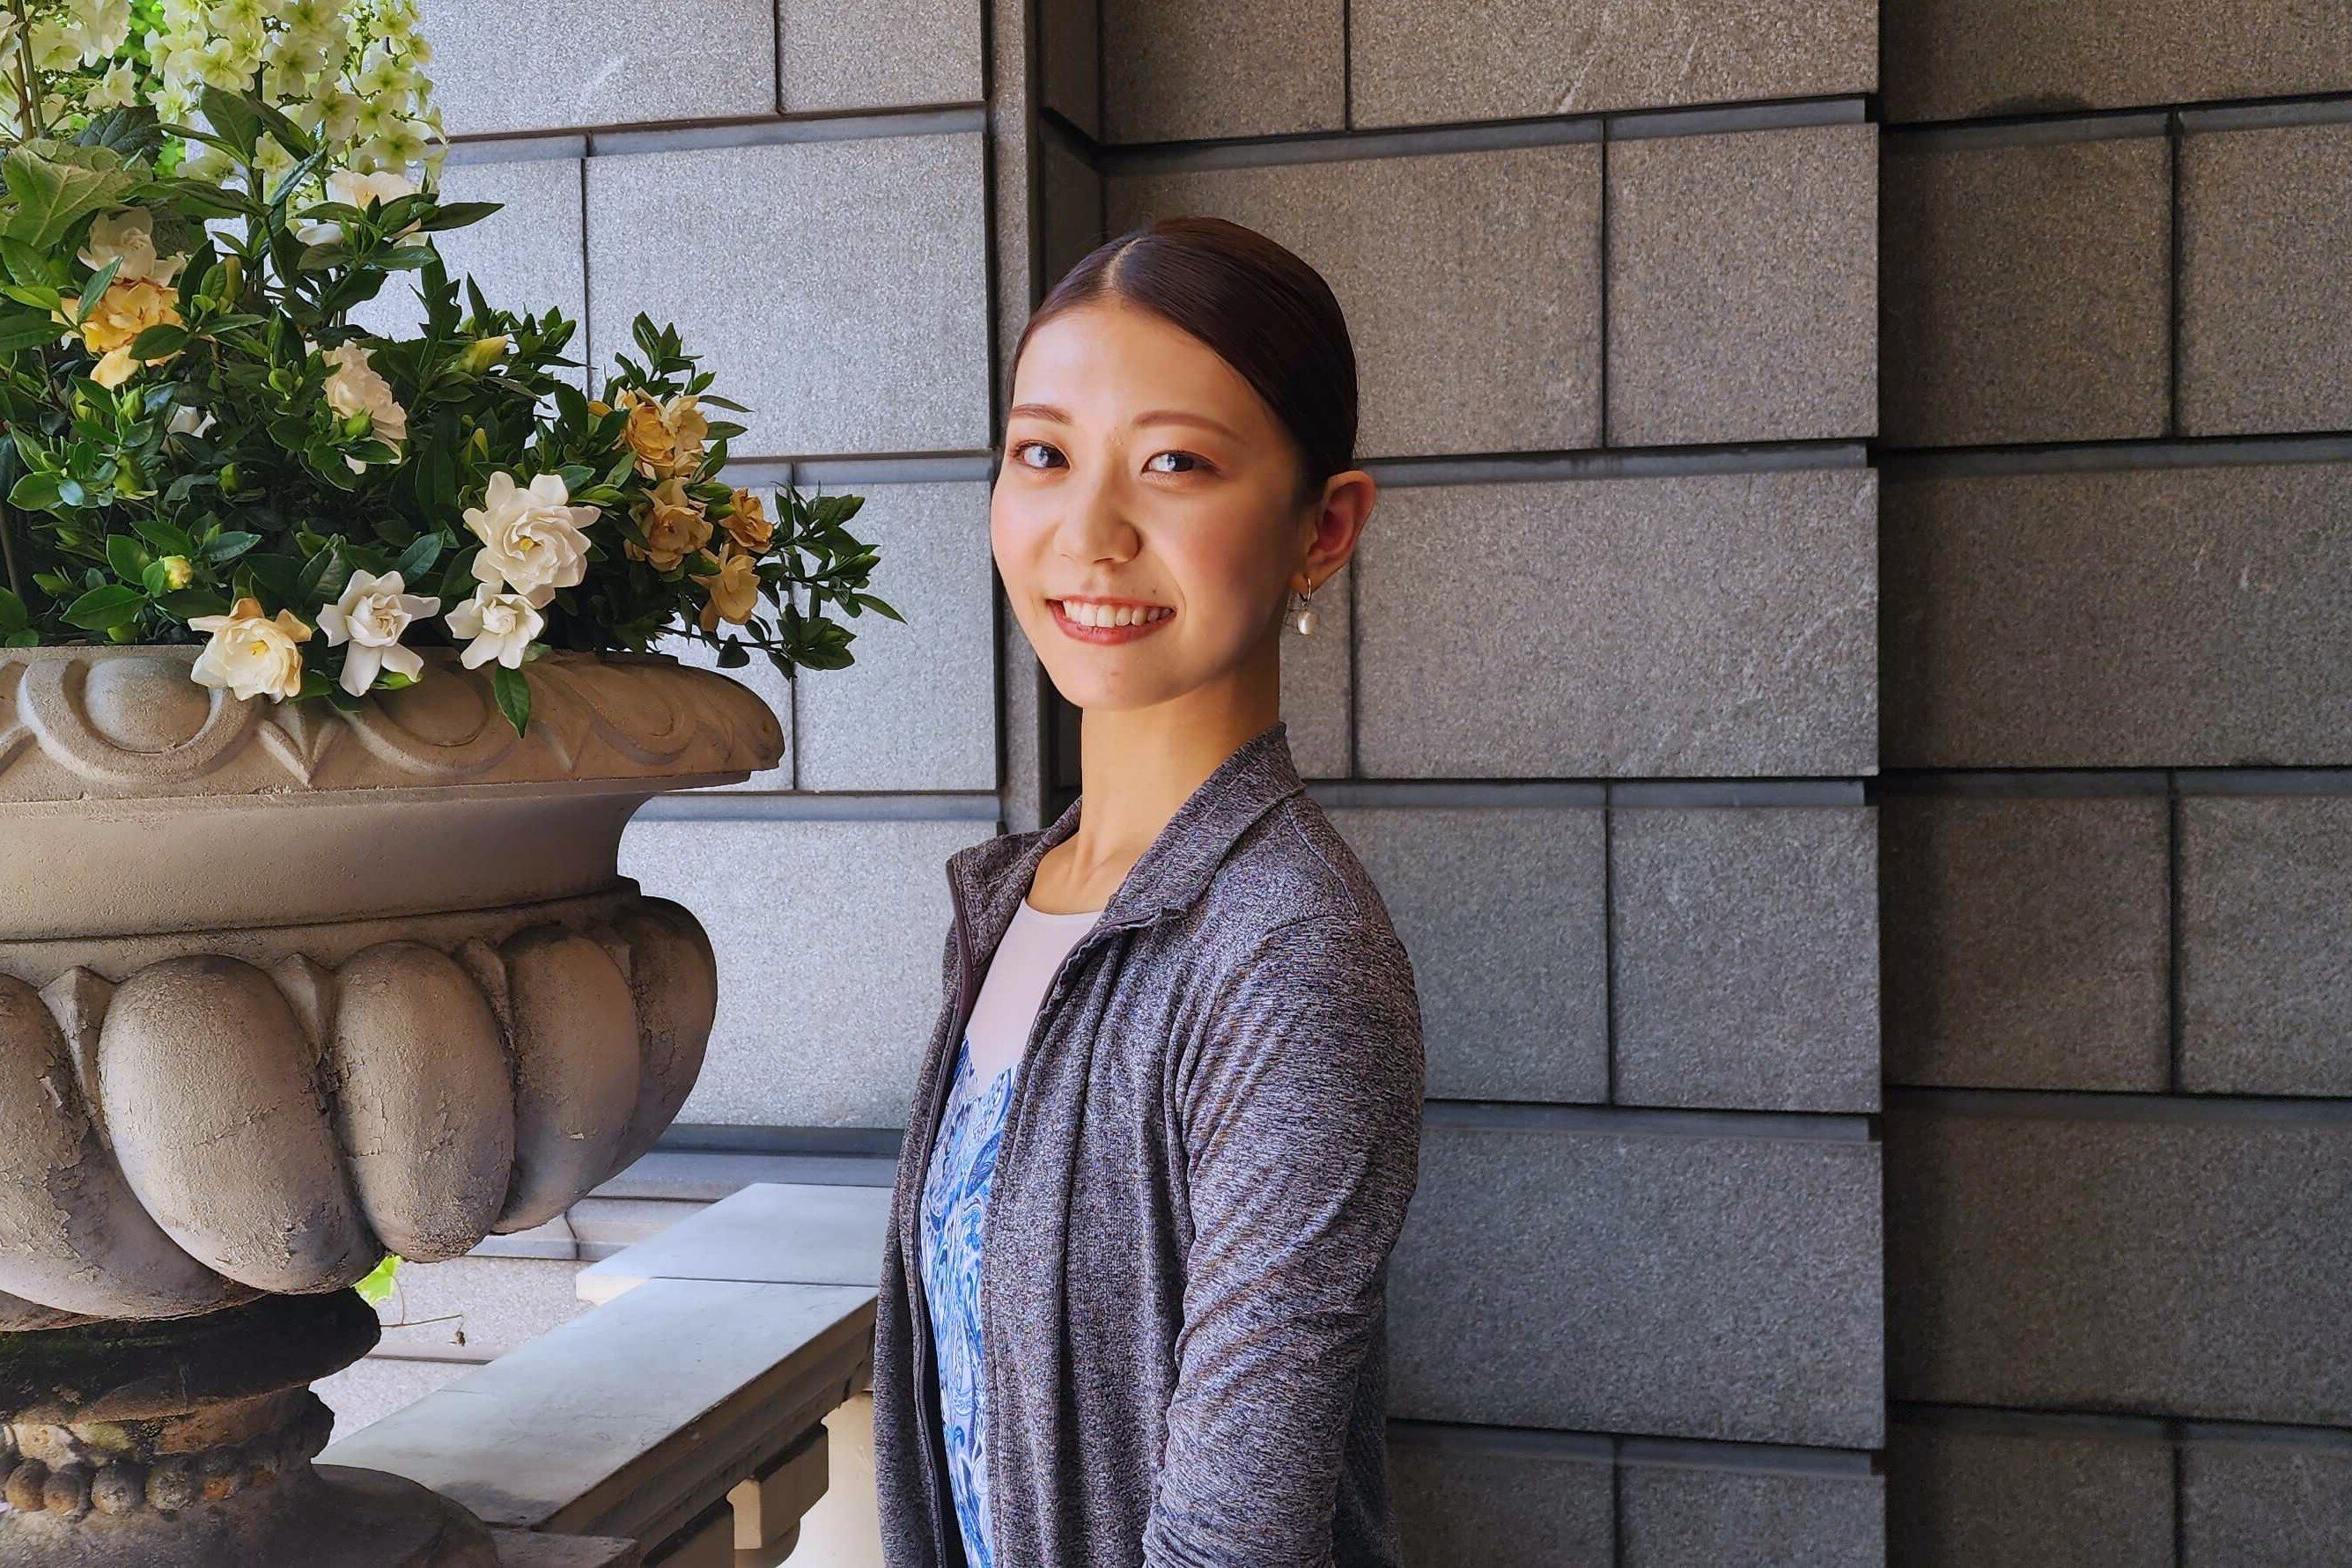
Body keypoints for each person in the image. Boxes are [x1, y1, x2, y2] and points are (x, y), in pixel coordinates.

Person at [871, 215, 1427, 1568]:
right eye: (1043, 455)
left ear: (1324, 527)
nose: (1090, 532)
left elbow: (1235, 1540)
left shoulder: (1285, 951)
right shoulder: (1016, 899)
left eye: (1174, 462)